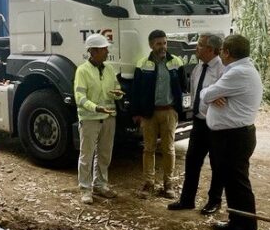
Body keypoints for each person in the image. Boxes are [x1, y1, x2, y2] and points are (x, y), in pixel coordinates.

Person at [199, 34, 264, 230]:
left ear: (227, 52)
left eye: (222, 52)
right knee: (230, 182)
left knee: (239, 185)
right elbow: (209, 94)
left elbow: (207, 93)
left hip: (235, 137)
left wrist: (210, 94)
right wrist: (211, 94)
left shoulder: (238, 72)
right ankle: (236, 222)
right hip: (230, 136)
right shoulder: (238, 70)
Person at [168, 33, 226, 214]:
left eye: (200, 45)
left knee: (217, 164)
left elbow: (225, 97)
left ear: (211, 49)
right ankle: (187, 200)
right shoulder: (198, 68)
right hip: (199, 123)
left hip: (216, 125)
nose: (196, 48)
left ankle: (214, 201)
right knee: (192, 162)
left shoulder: (223, 70)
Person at [129, 29, 187, 198]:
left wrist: (177, 110)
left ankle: (168, 185)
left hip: (169, 112)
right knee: (149, 149)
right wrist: (136, 113)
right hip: (149, 114)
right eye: (159, 44)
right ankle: (149, 184)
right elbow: (136, 91)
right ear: (151, 45)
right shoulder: (142, 64)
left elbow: (183, 85)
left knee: (168, 149)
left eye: (165, 43)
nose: (163, 47)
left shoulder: (176, 62)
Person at [73, 34, 123, 204]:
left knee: (104, 154)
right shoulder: (82, 71)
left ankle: (100, 185)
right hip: (89, 118)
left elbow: (116, 87)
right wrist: (95, 108)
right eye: (104, 49)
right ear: (93, 51)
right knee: (86, 155)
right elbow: (79, 97)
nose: (107, 51)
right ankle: (85, 189)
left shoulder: (109, 69)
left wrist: (118, 94)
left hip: (108, 117)